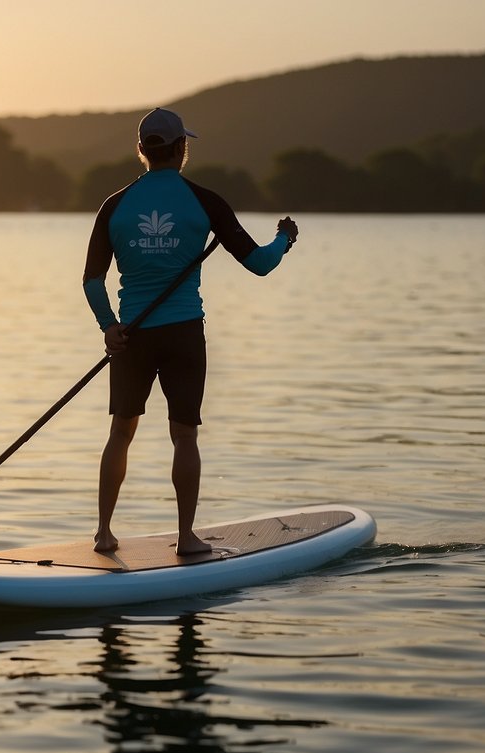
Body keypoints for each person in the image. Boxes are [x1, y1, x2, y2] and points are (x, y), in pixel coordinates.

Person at [81, 107, 299, 555]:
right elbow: (259, 264)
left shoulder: (115, 205)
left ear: (141, 149)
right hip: (182, 335)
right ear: (182, 149)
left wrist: (109, 327)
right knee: (184, 435)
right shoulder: (205, 201)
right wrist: (285, 239)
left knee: (121, 432)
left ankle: (103, 533)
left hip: (131, 338)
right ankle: (185, 538)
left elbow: (91, 280)